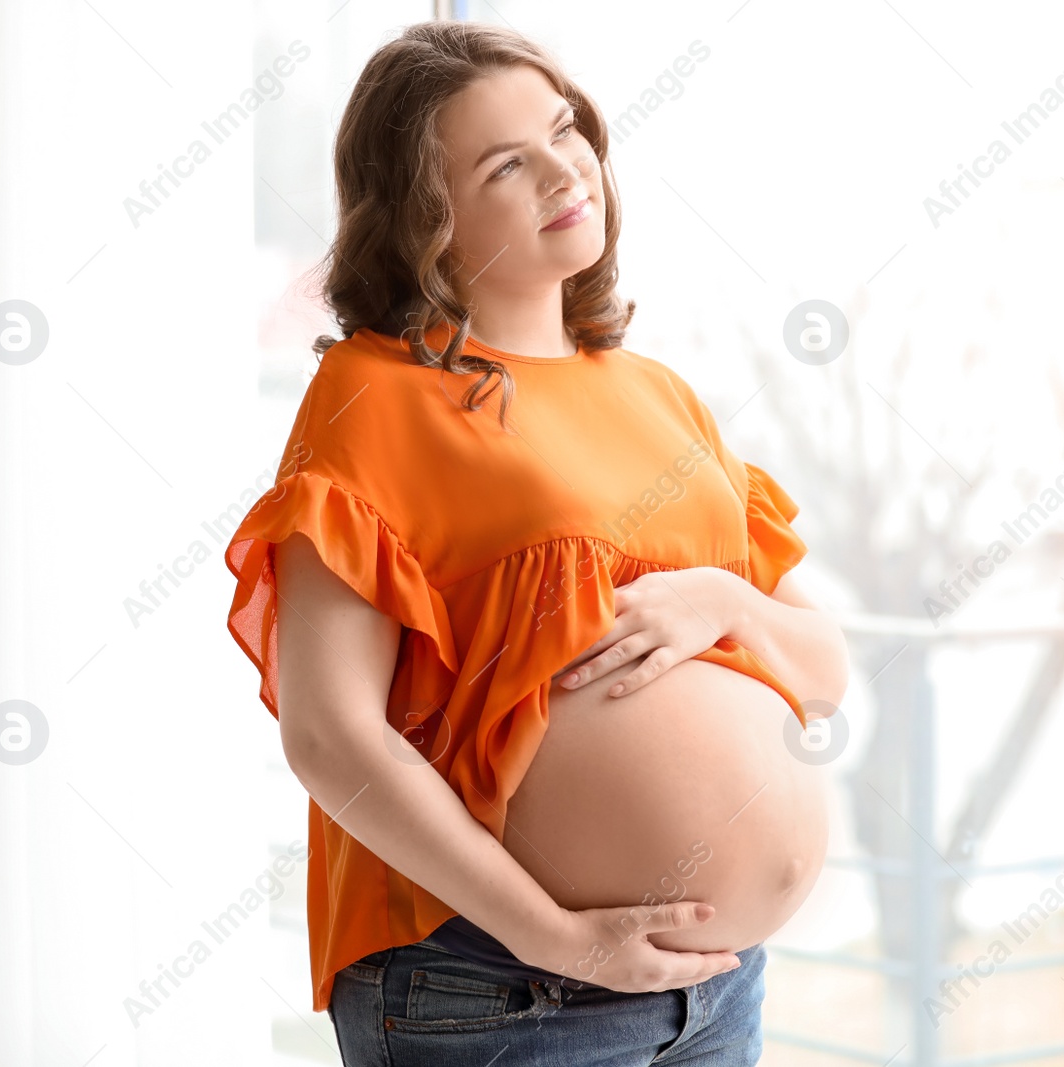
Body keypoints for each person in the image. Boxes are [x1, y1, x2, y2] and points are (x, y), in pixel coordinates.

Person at [223, 19, 849, 1066]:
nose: (568, 170)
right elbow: (331, 735)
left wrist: (728, 604)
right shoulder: (375, 396)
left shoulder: (657, 394)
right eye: (508, 163)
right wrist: (557, 935)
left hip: (715, 990)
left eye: (567, 132)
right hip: (502, 985)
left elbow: (821, 673)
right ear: (430, 218)